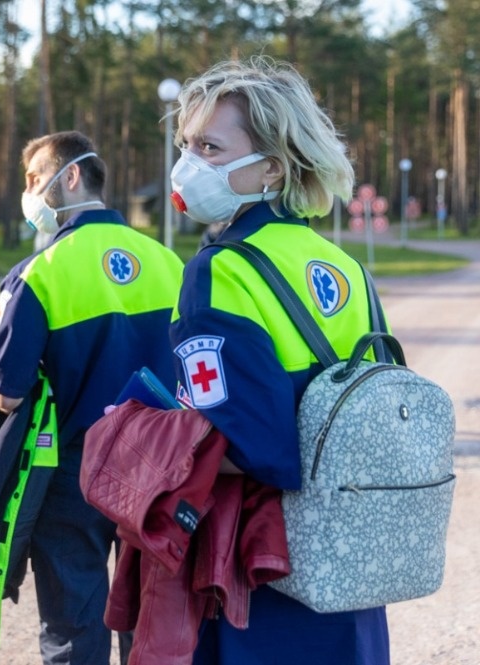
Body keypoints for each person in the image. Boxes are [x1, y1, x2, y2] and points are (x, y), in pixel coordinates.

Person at [167, 57, 390, 663]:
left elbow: (246, 446)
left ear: (272, 166)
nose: (188, 163)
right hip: (350, 559)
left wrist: (148, 440)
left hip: (262, 567)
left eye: (210, 147)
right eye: (186, 144)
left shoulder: (221, 270)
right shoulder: (346, 266)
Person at [0, 130, 185, 665]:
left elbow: (5, 396)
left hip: (76, 470)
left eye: (34, 178)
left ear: (70, 175)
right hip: (160, 468)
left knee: (75, 625)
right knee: (152, 623)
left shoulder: (40, 273)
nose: (28, 192)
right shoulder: (170, 262)